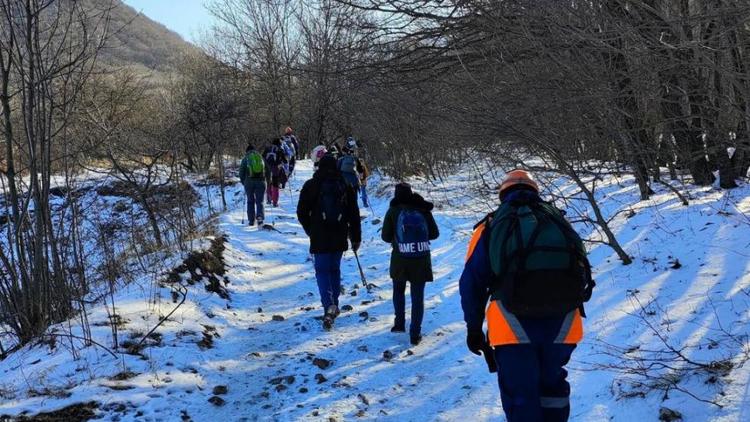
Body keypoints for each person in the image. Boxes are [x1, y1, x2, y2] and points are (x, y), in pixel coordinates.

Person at [459, 170, 595, 422]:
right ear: (535, 191)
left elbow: (472, 283)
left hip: (511, 326)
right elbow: (582, 269)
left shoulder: (491, 225)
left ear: (503, 194)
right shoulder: (558, 221)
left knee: (521, 396)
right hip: (563, 324)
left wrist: (474, 329)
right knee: (553, 390)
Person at [297, 155, 362, 330]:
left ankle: (328, 306)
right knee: (334, 268)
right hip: (339, 233)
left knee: (322, 271)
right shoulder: (345, 185)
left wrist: (311, 230)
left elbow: (301, 212)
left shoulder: (312, 185)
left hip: (319, 235)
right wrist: (356, 237)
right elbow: (354, 214)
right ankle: (334, 304)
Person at [381, 183, 439, 345]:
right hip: (420, 260)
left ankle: (399, 323)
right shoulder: (423, 209)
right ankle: (415, 333)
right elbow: (434, 234)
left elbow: (385, 237)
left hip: (400, 259)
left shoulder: (393, 211)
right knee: (417, 297)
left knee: (398, 291)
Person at [238, 144, 266, 226]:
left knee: (250, 201)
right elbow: (266, 170)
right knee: (259, 201)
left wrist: (244, 182)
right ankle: (260, 218)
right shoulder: (260, 157)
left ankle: (251, 220)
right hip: (261, 182)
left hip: (249, 182)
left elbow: (241, 173)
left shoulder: (245, 159)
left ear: (247, 151)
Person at [263, 138, 285, 207]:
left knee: (268, 183)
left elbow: (262, 157)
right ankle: (275, 202)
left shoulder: (267, 148)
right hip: (275, 168)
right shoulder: (279, 149)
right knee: (275, 184)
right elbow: (284, 160)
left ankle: (269, 199)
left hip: (267, 168)